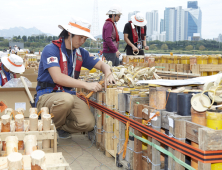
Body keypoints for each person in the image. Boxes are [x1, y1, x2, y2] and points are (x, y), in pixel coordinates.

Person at [36, 17, 115, 139]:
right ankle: (45, 130)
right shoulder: (51, 49)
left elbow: (101, 64)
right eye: (80, 37)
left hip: (68, 94)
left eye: (85, 38)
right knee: (66, 100)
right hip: (47, 94)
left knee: (87, 123)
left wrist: (108, 72)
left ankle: (58, 126)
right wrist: (86, 84)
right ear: (69, 33)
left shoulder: (80, 52)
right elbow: (57, 78)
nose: (83, 41)